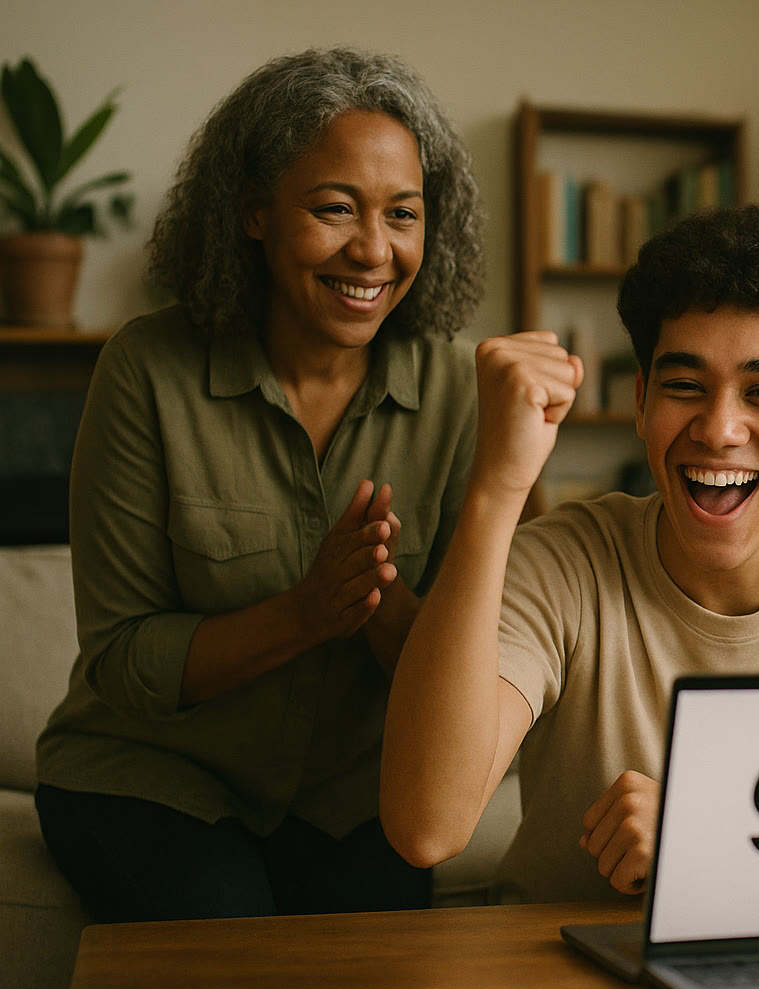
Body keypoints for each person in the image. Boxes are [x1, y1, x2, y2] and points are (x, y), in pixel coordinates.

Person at [380, 204, 759, 903]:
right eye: (684, 387)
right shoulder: (563, 564)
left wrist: (714, 836)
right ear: (640, 402)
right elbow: (426, 827)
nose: (719, 428)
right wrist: (496, 487)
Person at [33, 46, 484, 922]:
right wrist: (306, 615)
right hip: (153, 780)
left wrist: (384, 609)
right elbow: (123, 660)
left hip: (356, 803)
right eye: (333, 209)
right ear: (252, 212)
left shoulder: (464, 391)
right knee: (227, 947)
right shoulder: (147, 368)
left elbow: (480, 676)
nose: (374, 250)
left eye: (404, 215)